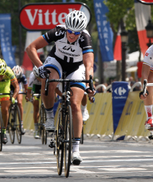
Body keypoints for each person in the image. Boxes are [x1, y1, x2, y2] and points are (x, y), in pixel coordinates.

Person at [26, 10, 95, 165]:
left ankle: (76, 149)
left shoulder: (85, 38)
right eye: (70, 31)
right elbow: (31, 48)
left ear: (81, 31)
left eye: (76, 33)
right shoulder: (58, 31)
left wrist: (90, 81)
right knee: (49, 79)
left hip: (75, 67)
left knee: (75, 104)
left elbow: (88, 64)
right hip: (56, 61)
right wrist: (40, 67)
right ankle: (50, 117)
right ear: (66, 28)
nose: (72, 35)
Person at [0, 58, 19, 144]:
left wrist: (13, 97)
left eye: (1, 75)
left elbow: (17, 87)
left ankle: (3, 132)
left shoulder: (9, 72)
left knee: (5, 109)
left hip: (5, 86)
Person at [26, 66, 43, 139]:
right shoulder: (32, 76)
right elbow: (28, 93)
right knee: (36, 106)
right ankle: (36, 129)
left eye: (40, 77)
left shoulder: (45, 75)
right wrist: (31, 98)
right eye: (38, 77)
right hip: (35, 88)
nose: (39, 79)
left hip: (44, 85)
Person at [11, 65, 27, 134]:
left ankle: (21, 124)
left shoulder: (23, 76)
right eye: (15, 78)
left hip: (19, 87)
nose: (17, 80)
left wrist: (27, 94)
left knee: (20, 103)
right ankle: (11, 113)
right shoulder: (10, 76)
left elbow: (26, 88)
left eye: (18, 78)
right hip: (10, 87)